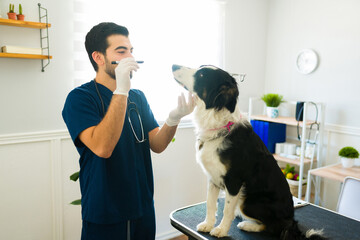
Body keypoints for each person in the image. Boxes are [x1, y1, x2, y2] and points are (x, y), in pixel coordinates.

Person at [62, 22, 195, 240]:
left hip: (142, 208)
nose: (130, 58)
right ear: (98, 57)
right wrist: (121, 90)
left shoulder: (138, 97)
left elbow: (158, 144)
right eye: (121, 51)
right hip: (105, 213)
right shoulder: (80, 99)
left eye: (131, 51)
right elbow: (103, 148)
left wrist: (174, 118)